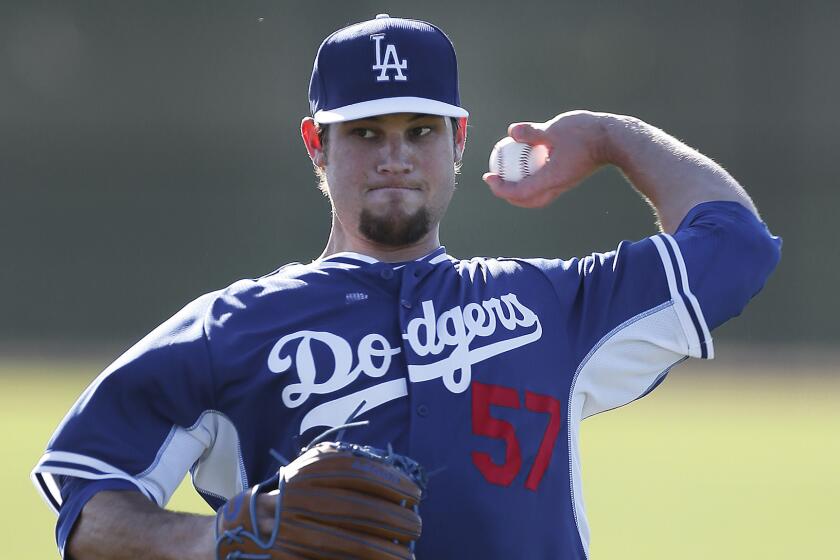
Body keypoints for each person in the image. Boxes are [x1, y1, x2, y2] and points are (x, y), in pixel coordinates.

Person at [32, 13, 780, 560]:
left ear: (459, 140)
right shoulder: (230, 330)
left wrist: (614, 136)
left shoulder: (549, 307)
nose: (395, 156)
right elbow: (87, 503)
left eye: (419, 131)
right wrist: (222, 537)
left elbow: (735, 248)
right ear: (315, 145)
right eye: (364, 133)